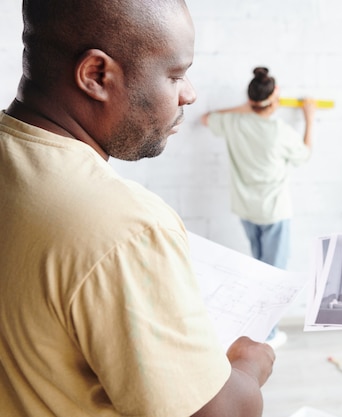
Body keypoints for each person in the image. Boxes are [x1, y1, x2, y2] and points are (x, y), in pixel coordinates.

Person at [0, 1, 274, 416]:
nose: (190, 93)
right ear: (96, 75)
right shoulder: (125, 226)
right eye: (175, 74)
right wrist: (249, 366)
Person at [200, 67, 315, 347]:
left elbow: (206, 119)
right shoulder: (279, 131)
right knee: (274, 277)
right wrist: (310, 118)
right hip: (273, 212)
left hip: (246, 210)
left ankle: (257, 329)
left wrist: (245, 107)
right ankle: (269, 335)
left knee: (259, 269)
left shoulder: (234, 123)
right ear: (274, 101)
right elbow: (305, 154)